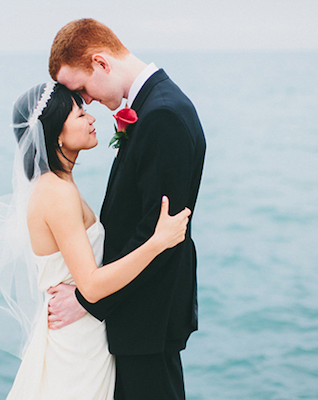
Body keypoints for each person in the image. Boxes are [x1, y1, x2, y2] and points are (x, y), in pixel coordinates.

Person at [0, 81, 191, 399]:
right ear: (56, 133)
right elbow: (92, 286)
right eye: (79, 113)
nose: (91, 118)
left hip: (81, 334)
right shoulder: (56, 194)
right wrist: (158, 241)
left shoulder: (57, 186)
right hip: (76, 348)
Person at [47, 19, 207, 399]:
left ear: (101, 63)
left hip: (147, 316)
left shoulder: (162, 115)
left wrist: (88, 299)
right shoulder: (155, 105)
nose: (86, 102)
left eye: (82, 89)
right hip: (142, 314)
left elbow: (159, 235)